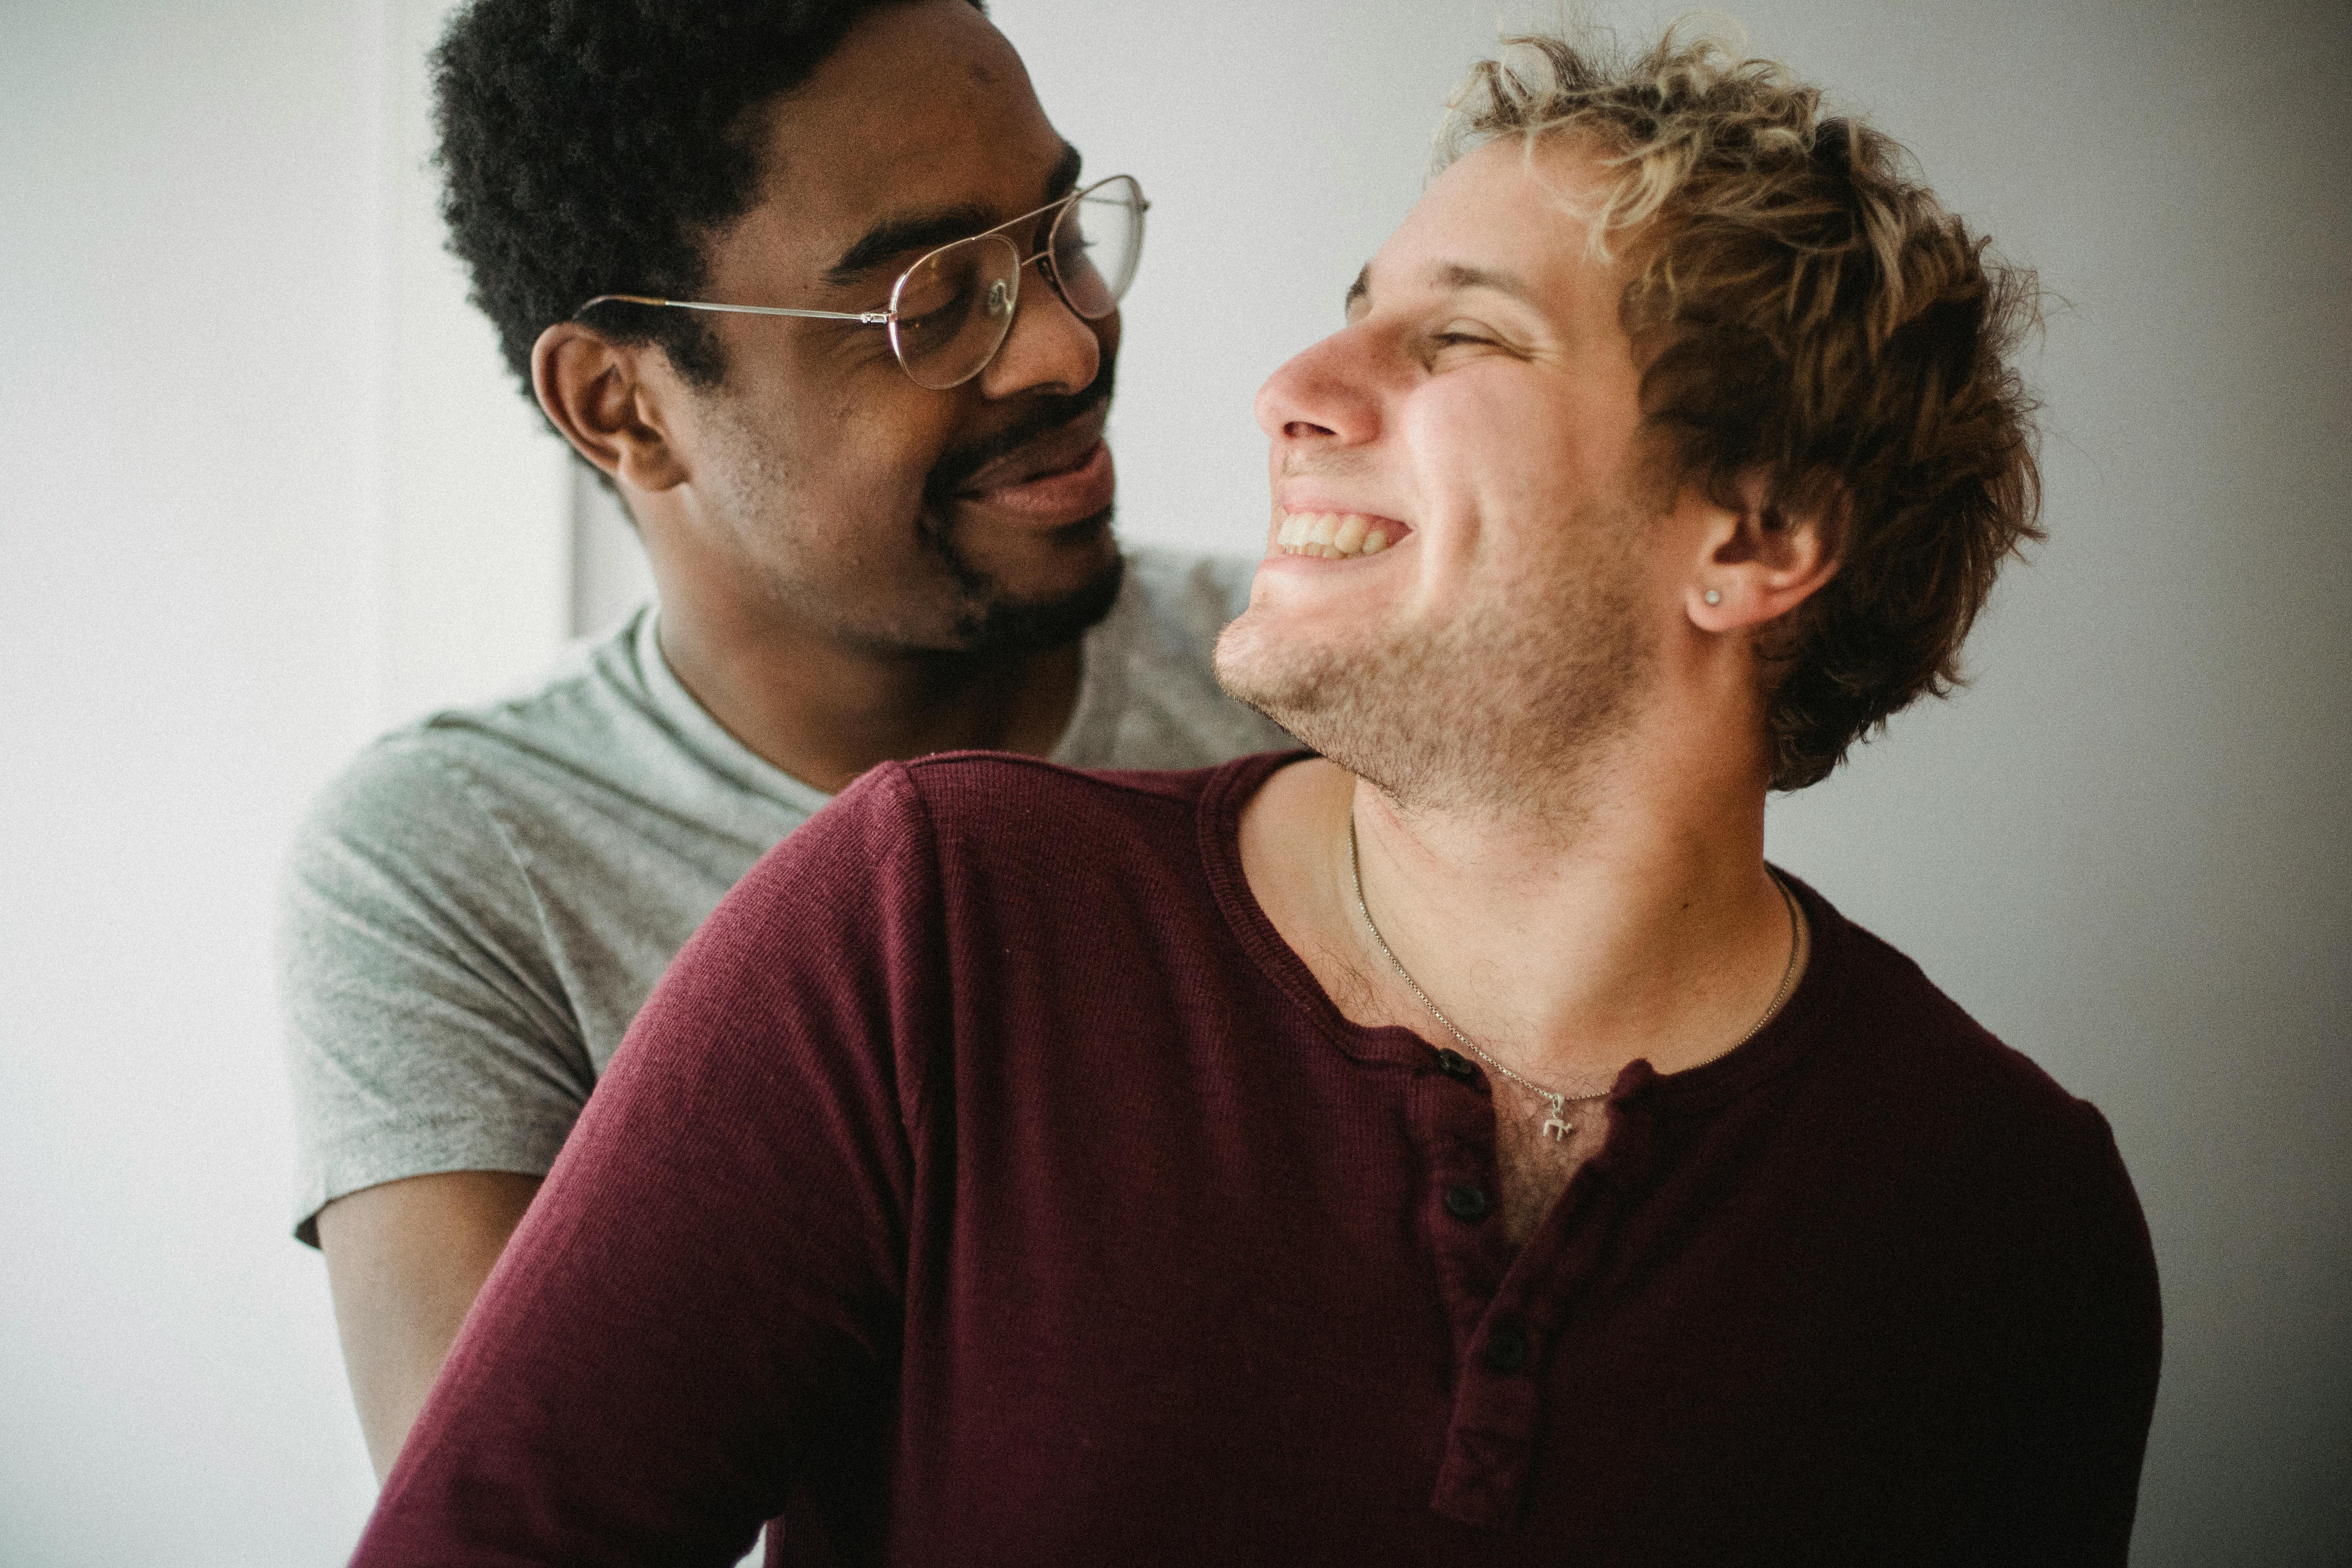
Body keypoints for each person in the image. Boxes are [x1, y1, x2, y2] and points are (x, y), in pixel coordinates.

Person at [349, 25, 2161, 1566]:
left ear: (1757, 535)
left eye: (1458, 339)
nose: (1280, 388)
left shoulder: (2008, 1219)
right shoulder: (927, 913)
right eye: (931, 298)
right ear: (622, 408)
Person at [281, 0, 1290, 1483]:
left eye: (1062, 231)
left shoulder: (1302, 689)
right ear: (622, 406)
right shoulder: (460, 866)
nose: (1070, 346)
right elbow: (518, 1522)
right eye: (939, 301)